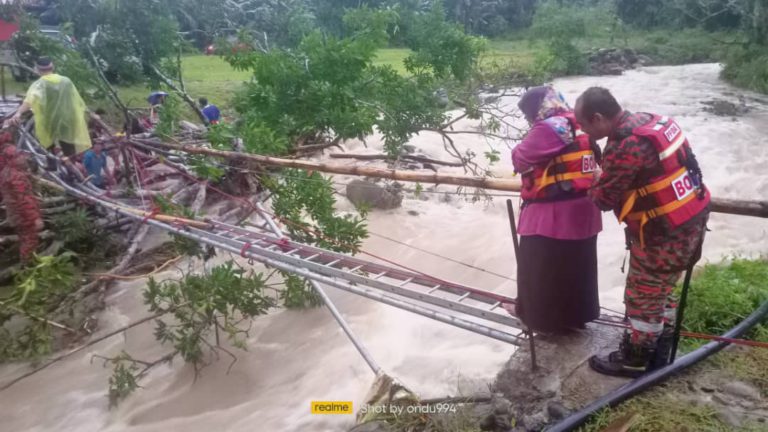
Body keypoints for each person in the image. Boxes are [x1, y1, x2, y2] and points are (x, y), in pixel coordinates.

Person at [574, 87, 710, 378]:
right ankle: (662, 346)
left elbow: (602, 200)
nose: (582, 131)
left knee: (643, 297)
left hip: (663, 236)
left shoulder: (624, 147)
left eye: (584, 124)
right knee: (663, 289)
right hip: (691, 222)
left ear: (598, 118)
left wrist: (596, 176)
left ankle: (635, 360)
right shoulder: (651, 121)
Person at [511, 86, 603, 334]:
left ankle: (543, 322)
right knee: (577, 267)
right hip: (585, 210)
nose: (528, 119)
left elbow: (519, 159)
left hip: (552, 215)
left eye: (527, 114)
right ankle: (575, 317)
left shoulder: (549, 128)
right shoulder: (579, 123)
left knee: (540, 269)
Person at [4, 57, 92, 159]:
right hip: (67, 118)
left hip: (50, 120)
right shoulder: (66, 81)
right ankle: (71, 163)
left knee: (48, 141)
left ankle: (52, 162)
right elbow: (75, 99)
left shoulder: (40, 84)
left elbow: (29, 101)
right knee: (68, 142)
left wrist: (18, 113)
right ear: (52, 67)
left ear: (37, 69)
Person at [0, 131, 43, 263]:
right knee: (30, 241)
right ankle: (28, 268)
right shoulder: (16, 176)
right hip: (23, 216)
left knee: (25, 239)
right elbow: (24, 200)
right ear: (11, 159)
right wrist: (35, 218)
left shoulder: (6, 173)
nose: (22, 158)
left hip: (15, 215)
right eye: (18, 156)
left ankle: (27, 264)